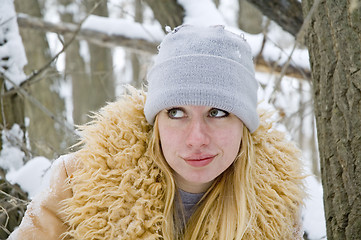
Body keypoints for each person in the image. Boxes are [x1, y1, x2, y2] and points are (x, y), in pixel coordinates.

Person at [9, 25, 305, 240]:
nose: (197, 138)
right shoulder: (78, 183)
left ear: (244, 123)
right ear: (155, 121)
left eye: (217, 112)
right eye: (176, 113)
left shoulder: (276, 205)